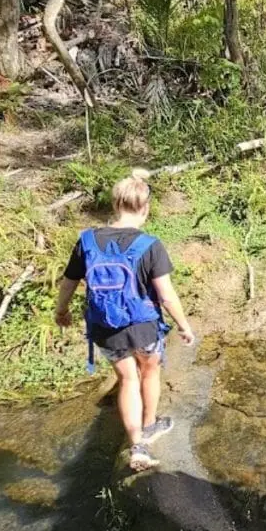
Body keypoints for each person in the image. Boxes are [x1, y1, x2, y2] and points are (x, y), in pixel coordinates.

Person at [54, 169, 195, 471]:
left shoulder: (87, 241)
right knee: (149, 371)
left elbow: (68, 282)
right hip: (144, 325)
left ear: (115, 204)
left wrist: (61, 310)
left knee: (127, 379)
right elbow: (167, 295)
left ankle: (137, 445)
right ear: (145, 208)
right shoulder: (150, 245)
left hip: (105, 327)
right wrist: (184, 326)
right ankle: (150, 424)